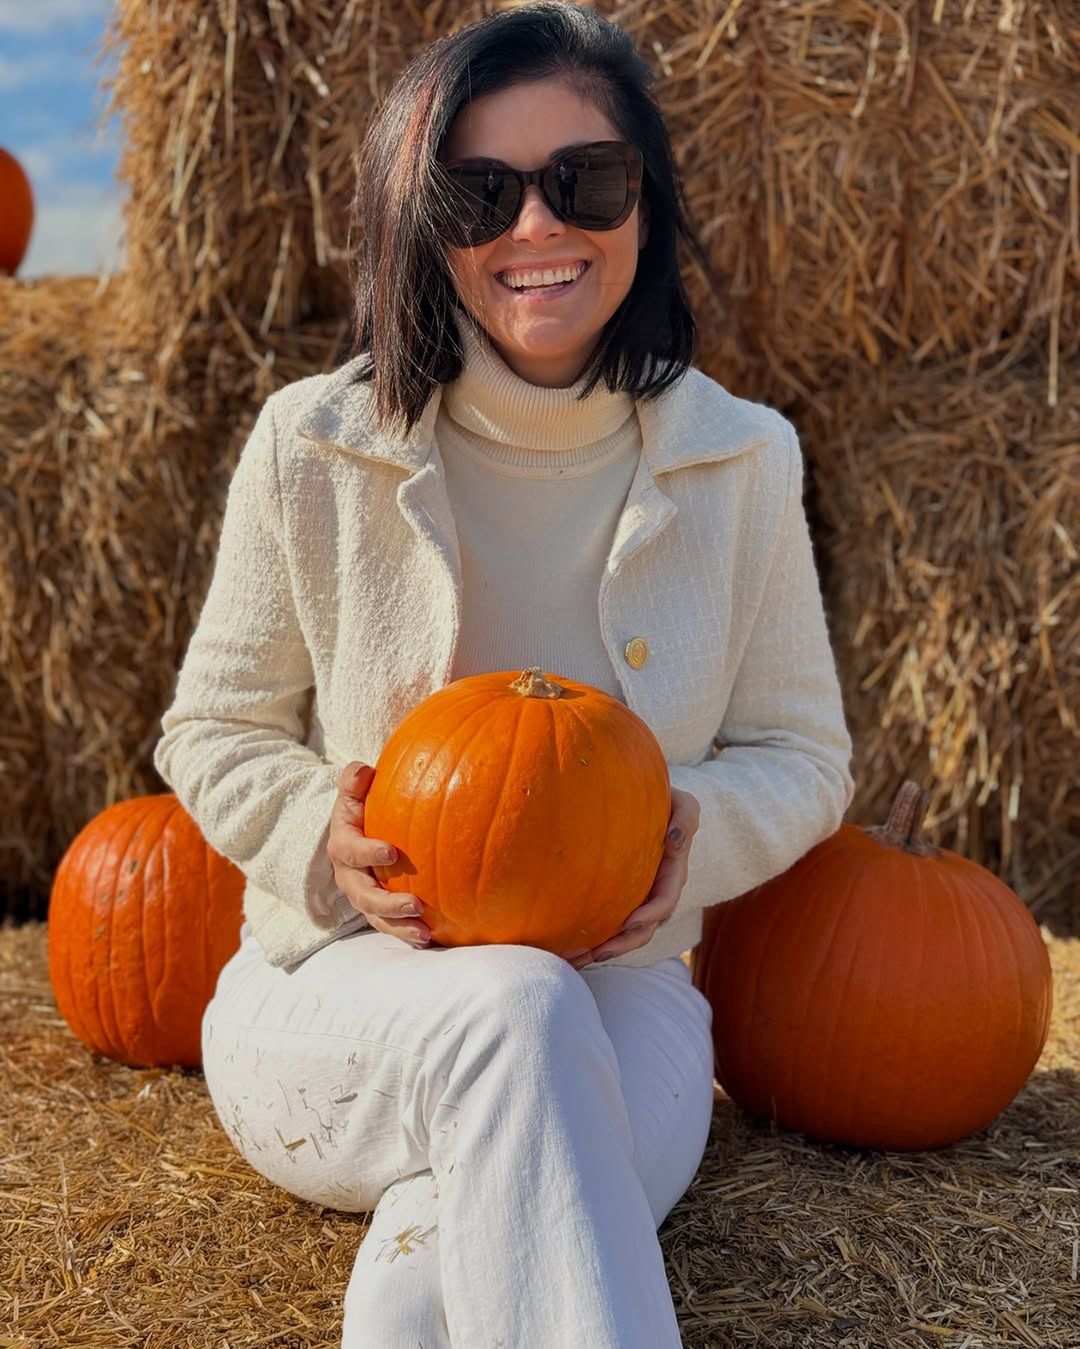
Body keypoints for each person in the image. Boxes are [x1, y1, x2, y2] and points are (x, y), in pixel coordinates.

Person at [152, 3, 855, 1344]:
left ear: (642, 201)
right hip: (338, 998)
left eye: (583, 181)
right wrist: (322, 831)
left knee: (435, 1266)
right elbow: (213, 728)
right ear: (424, 222)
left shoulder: (743, 460)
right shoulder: (317, 443)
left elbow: (804, 753)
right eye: (480, 194)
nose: (536, 230)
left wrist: (689, 837)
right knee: (509, 1002)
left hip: (622, 1004)